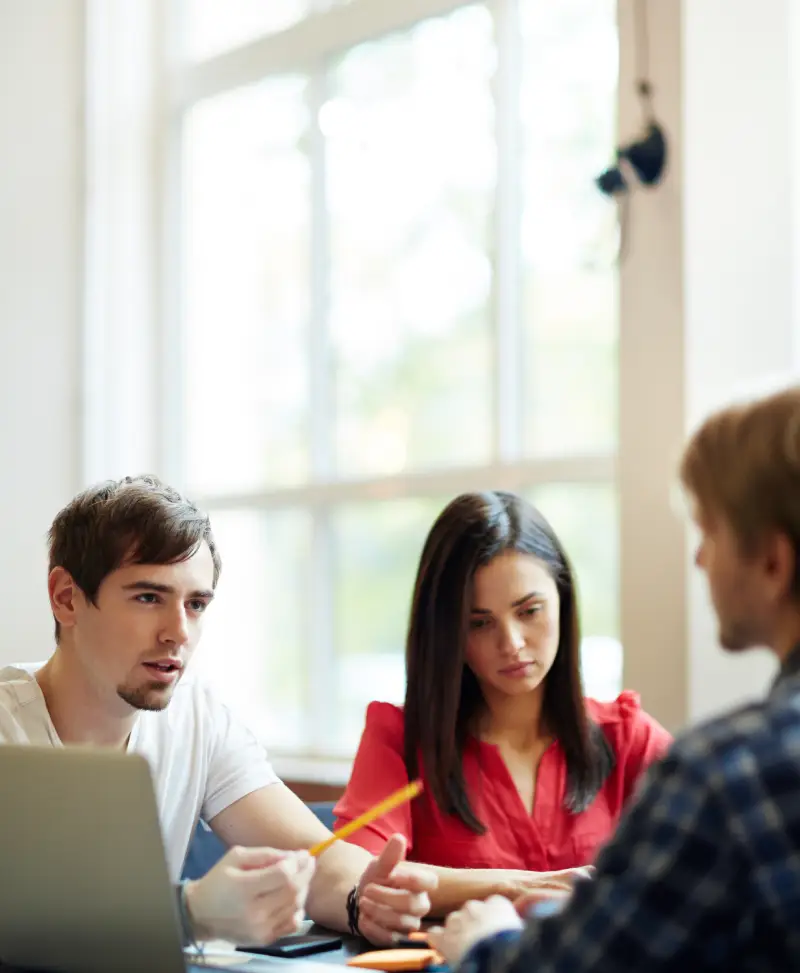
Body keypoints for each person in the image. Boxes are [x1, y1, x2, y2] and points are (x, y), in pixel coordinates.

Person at [427, 386, 800, 971]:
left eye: (710, 532)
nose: (699, 559)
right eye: (479, 622)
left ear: (774, 563)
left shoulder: (727, 775)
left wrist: (487, 944)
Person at [0, 475, 436, 947]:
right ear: (66, 597)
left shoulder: (197, 719)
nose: (179, 632)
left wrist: (364, 899)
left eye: (196, 603)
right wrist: (188, 913)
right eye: (149, 597)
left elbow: (319, 862)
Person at [334, 492, 670, 915]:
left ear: (563, 601)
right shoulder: (398, 741)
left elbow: (708, 871)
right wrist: (523, 887)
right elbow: (360, 880)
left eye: (529, 611)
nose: (511, 643)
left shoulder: (628, 738)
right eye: (479, 623)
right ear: (447, 631)